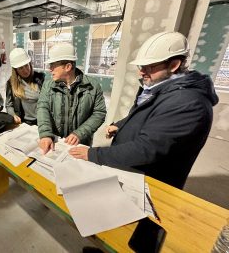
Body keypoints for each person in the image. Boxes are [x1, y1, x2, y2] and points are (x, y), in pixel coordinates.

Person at [69, 31, 219, 189]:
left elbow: (146, 149)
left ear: (174, 65)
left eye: (150, 66)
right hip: (132, 171)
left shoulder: (187, 103)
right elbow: (142, 114)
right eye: (141, 66)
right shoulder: (159, 88)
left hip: (150, 184)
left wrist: (93, 154)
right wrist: (120, 125)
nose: (141, 71)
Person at [37, 43, 106, 153]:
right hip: (56, 142)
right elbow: (42, 108)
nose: (50, 69)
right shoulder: (48, 85)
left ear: (68, 67)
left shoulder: (93, 86)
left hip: (80, 144)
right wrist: (45, 134)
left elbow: (99, 113)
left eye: (53, 65)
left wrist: (80, 133)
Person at [5, 48, 45, 125]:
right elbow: (9, 105)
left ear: (30, 64)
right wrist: (13, 115)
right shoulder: (11, 83)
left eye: (26, 65)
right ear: (16, 70)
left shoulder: (40, 78)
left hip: (41, 122)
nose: (25, 70)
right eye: (21, 68)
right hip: (23, 123)